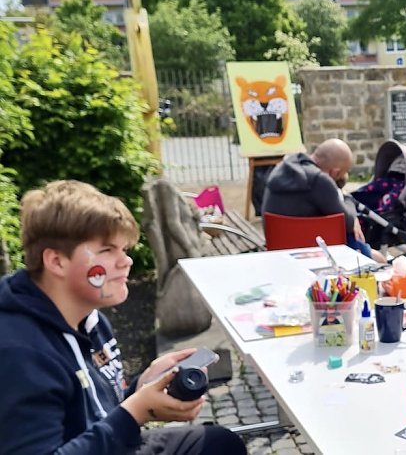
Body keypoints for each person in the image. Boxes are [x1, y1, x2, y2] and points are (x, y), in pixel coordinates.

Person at [0, 180, 246, 454]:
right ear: (57, 262)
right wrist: (135, 411)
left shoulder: (90, 319)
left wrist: (143, 388)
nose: (125, 261)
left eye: (124, 249)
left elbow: (99, 412)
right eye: (107, 250)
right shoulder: (18, 353)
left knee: (219, 444)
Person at [261, 138, 384, 262]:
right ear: (334, 172)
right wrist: (348, 200)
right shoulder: (319, 180)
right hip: (315, 256)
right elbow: (347, 223)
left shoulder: (282, 168)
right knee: (380, 259)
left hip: (278, 253)